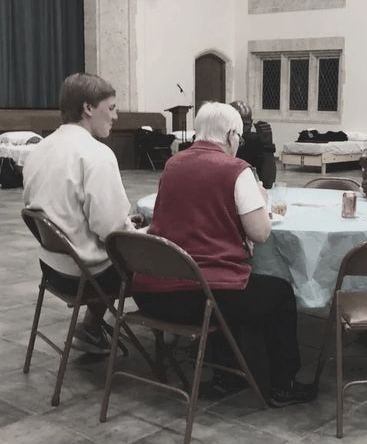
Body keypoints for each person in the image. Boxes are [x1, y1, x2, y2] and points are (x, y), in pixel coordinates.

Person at [131, 102, 316, 407]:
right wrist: (261, 200)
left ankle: (226, 374)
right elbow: (261, 233)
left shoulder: (173, 163)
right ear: (232, 135)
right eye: (239, 139)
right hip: (198, 298)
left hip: (152, 292)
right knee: (278, 291)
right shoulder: (236, 169)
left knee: (225, 281)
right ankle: (283, 385)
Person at [23, 73, 142, 354]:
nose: (116, 116)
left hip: (52, 267)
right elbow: (112, 232)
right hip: (88, 275)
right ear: (88, 108)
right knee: (156, 260)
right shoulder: (96, 154)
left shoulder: (38, 150)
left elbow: (40, 209)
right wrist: (137, 231)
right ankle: (172, 336)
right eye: (111, 108)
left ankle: (90, 329)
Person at [230, 100, 277, 188]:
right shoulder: (219, 142)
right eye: (237, 125)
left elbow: (268, 182)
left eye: (245, 125)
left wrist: (268, 146)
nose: (241, 130)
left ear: (251, 124)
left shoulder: (254, 141)